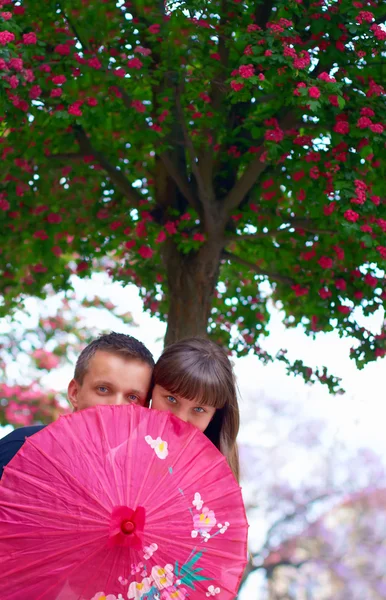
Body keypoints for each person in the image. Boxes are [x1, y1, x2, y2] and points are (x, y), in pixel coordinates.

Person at [0, 332, 154, 478]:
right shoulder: (21, 450)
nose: (117, 406)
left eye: (133, 397)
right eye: (103, 389)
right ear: (74, 393)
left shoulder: (135, 483)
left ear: (145, 409)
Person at [151, 337, 240, 481]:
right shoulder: (116, 449)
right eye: (171, 399)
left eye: (198, 409)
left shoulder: (211, 487)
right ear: (151, 389)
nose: (179, 419)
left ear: (213, 416)